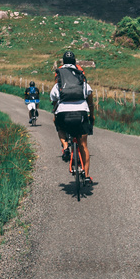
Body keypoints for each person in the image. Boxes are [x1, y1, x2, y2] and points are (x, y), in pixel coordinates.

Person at [50, 50, 95, 183]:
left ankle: (65, 147)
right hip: (81, 113)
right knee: (83, 145)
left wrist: (56, 110)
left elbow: (53, 97)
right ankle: (86, 176)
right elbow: (90, 95)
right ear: (75, 62)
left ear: (63, 63)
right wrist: (91, 115)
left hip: (64, 113)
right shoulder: (81, 78)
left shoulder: (59, 80)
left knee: (58, 124)